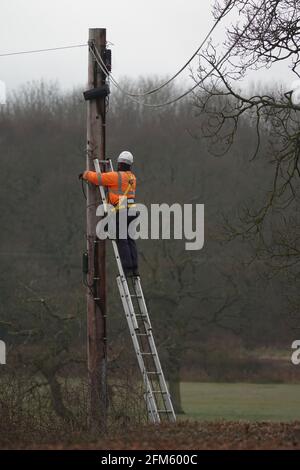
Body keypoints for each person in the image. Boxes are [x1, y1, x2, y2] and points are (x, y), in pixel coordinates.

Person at [79, 151, 139, 277]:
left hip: (122, 212)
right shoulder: (132, 177)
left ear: (120, 163)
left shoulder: (117, 177)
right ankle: (134, 269)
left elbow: (97, 178)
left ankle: (127, 269)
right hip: (132, 211)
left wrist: (85, 174)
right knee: (130, 239)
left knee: (122, 239)